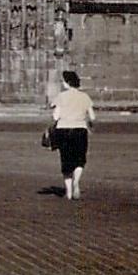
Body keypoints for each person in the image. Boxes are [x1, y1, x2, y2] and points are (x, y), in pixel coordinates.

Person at [51, 68, 95, 200]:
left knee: (66, 161)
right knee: (80, 160)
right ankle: (76, 183)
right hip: (80, 130)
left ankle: (69, 192)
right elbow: (92, 117)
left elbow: (55, 116)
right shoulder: (84, 96)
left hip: (63, 130)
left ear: (66, 82)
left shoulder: (61, 96)